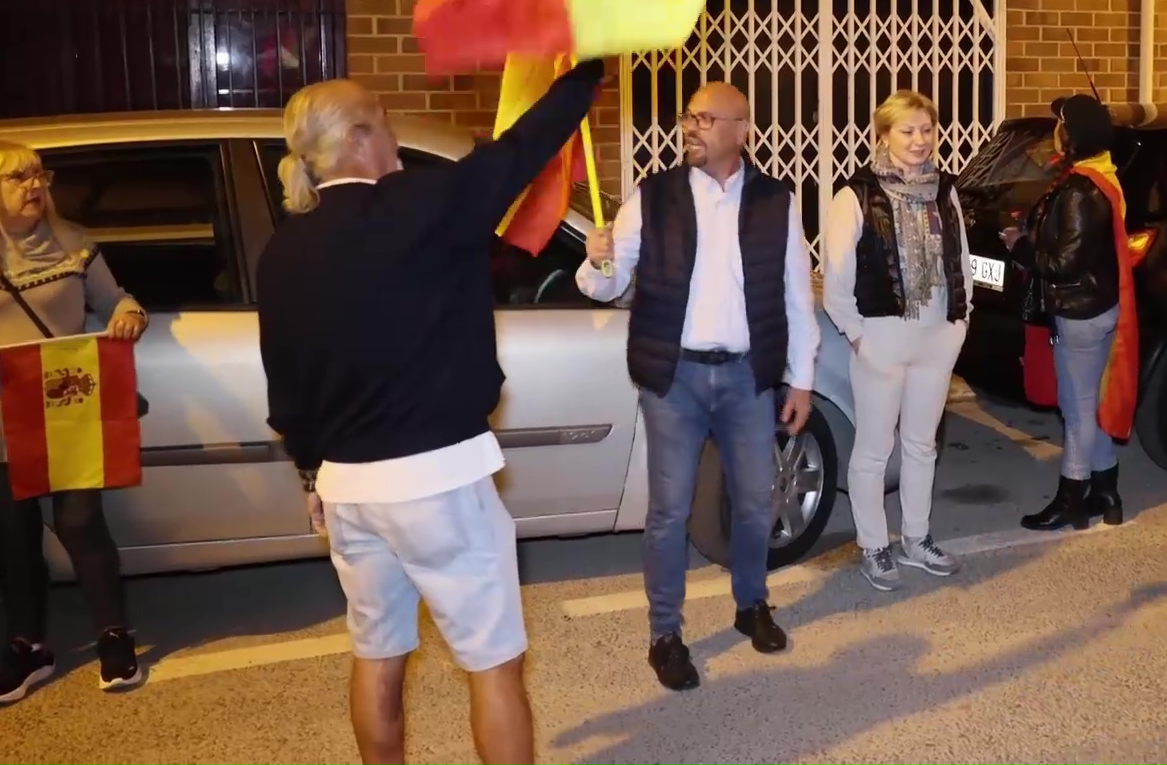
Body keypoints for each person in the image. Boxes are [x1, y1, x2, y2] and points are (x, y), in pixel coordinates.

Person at [257, 58, 604, 765]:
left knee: (377, 656)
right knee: (493, 664)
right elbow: (520, 153)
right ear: (358, 139)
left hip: (347, 489)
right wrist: (582, 74)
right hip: (439, 479)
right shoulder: (421, 204)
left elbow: (285, 385)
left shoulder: (283, 248)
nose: (391, 132)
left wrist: (309, 475)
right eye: (383, 119)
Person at [575, 82, 819, 693]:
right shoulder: (651, 197)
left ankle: (751, 605)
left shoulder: (775, 202)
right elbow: (604, 286)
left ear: (742, 130)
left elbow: (794, 294)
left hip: (747, 376)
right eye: (690, 117)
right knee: (669, 512)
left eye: (707, 119)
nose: (692, 127)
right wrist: (597, 257)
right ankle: (665, 633)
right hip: (675, 378)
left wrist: (803, 380)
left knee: (756, 502)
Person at [0, 140, 150, 702]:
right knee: (15, 536)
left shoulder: (73, 243)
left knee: (80, 523)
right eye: (17, 178)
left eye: (38, 175)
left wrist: (128, 316)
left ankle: (114, 636)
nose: (35, 186)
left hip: (67, 414)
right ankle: (27, 647)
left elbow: (118, 300)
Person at [821, 90, 974, 592]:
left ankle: (916, 537)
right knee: (873, 450)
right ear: (883, 136)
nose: (920, 140)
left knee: (921, 446)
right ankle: (873, 545)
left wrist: (958, 326)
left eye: (926, 129)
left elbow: (962, 266)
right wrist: (862, 338)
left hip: (936, 338)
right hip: (882, 338)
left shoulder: (944, 191)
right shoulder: (857, 195)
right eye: (907, 130)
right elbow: (837, 282)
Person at [1002, 93, 1138, 533]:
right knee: (1089, 405)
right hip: (1097, 307)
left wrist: (1020, 246)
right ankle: (1107, 493)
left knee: (1077, 409)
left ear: (1074, 133)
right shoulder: (1101, 175)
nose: (1056, 130)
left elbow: (1063, 264)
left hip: (1078, 313)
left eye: (1061, 124)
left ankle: (1071, 500)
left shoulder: (1082, 189)